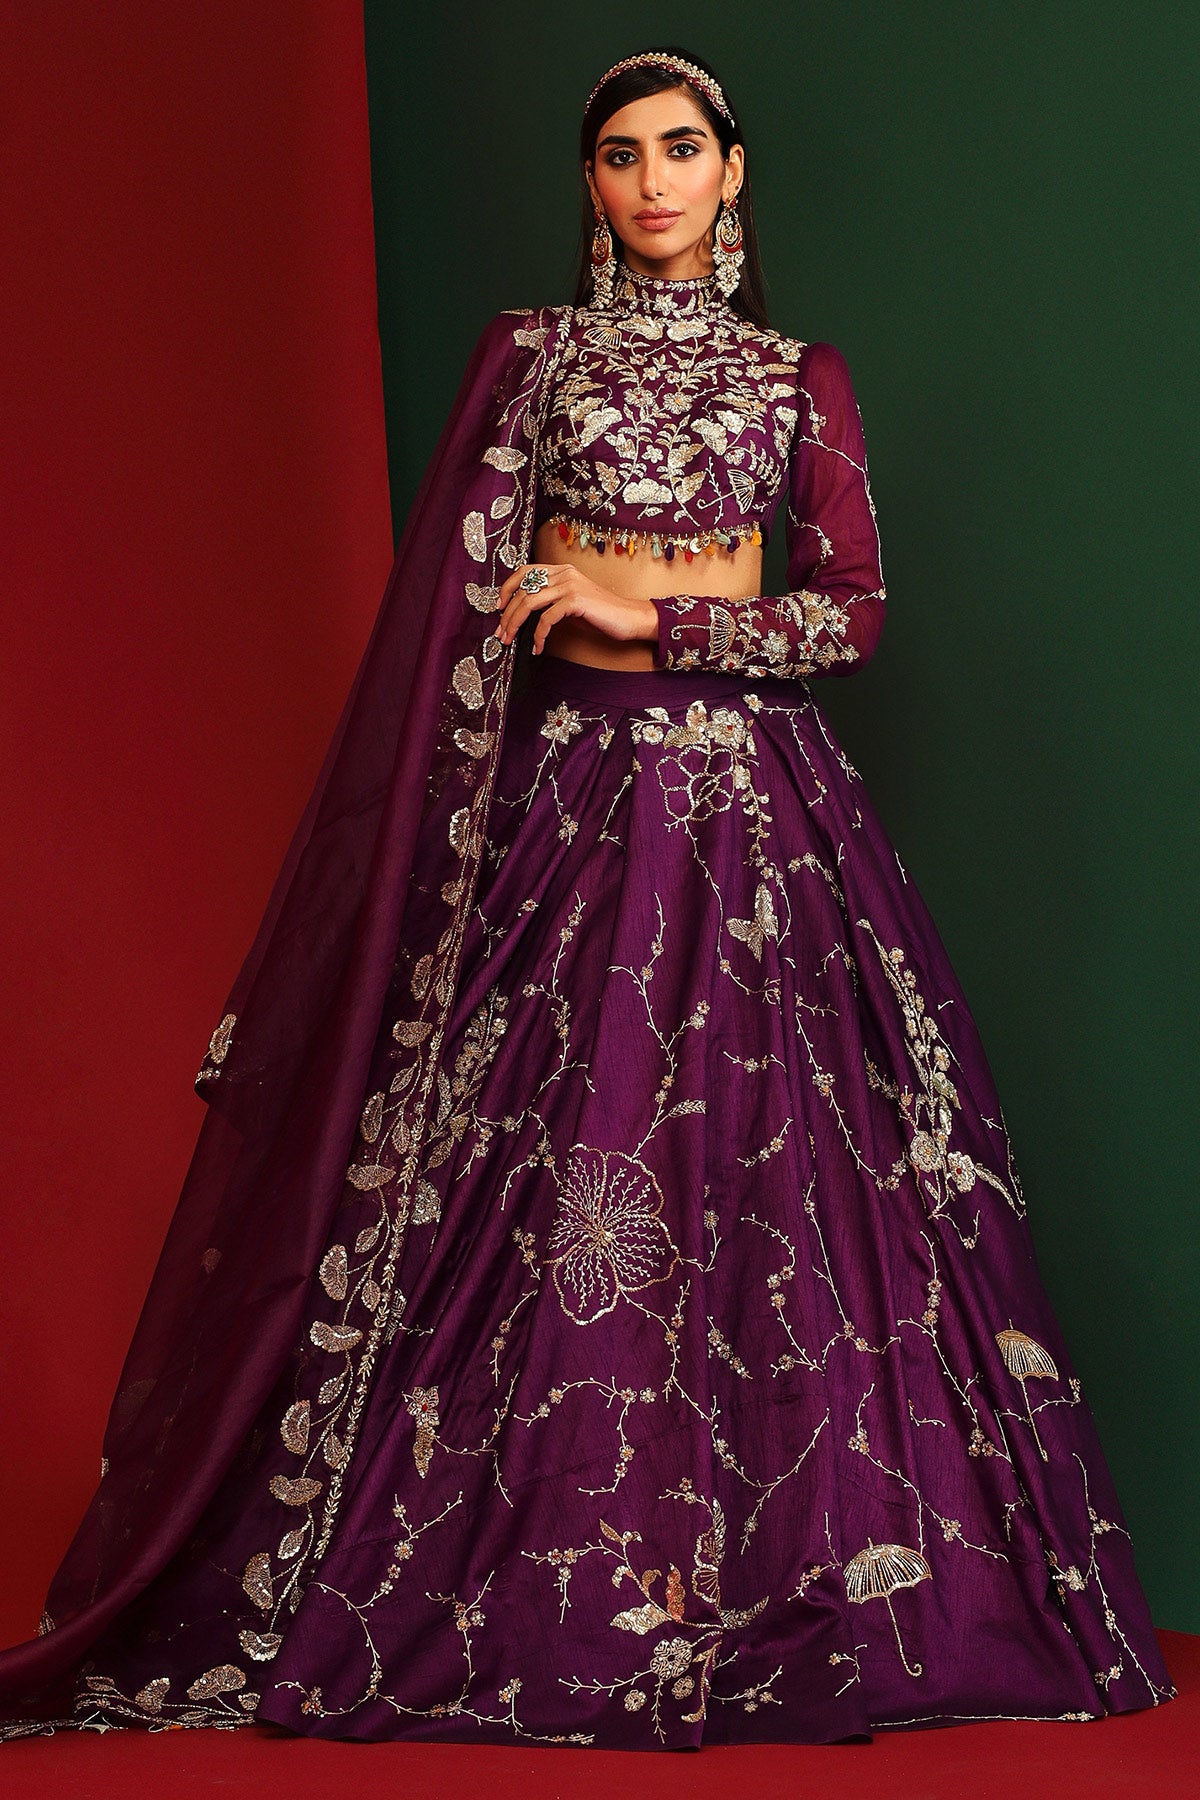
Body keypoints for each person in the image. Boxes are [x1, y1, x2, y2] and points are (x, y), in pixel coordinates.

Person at [0, 46, 1174, 1750]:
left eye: (681, 147)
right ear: (593, 186)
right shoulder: (530, 361)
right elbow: (441, 620)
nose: (651, 181)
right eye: (620, 156)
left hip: (761, 819)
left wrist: (655, 619)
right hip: (564, 813)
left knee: (793, 1186)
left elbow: (850, 613)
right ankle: (558, 1573)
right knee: (550, 1179)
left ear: (734, 169)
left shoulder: (796, 379)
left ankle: (767, 1579)